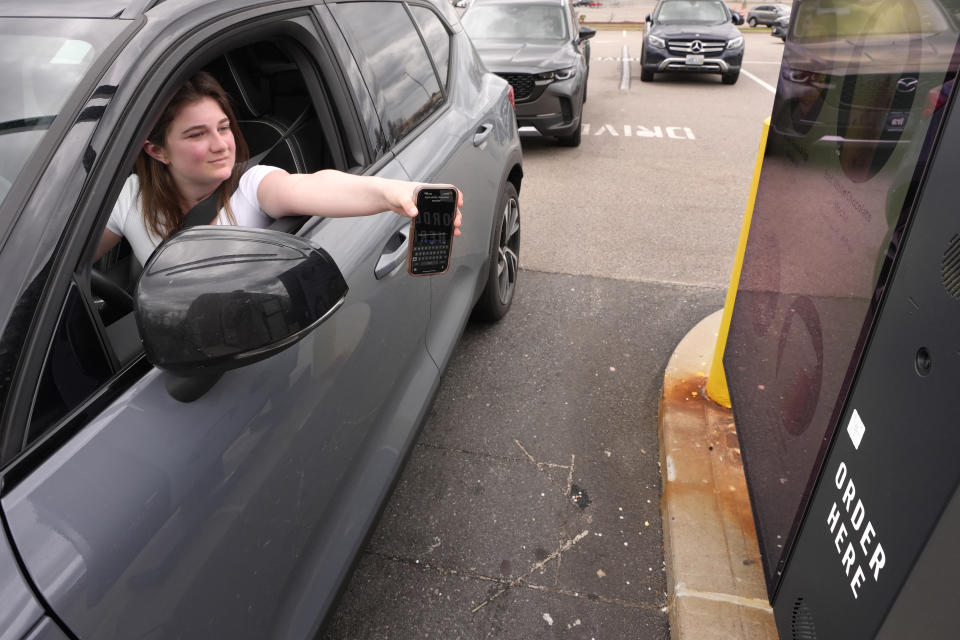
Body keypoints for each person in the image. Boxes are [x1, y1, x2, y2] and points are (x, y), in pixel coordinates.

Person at [96, 71, 462, 266]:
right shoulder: (130, 196)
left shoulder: (251, 186)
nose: (221, 144)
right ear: (157, 151)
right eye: (197, 134)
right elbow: (62, 270)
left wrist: (391, 193)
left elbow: (317, 186)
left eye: (223, 128)